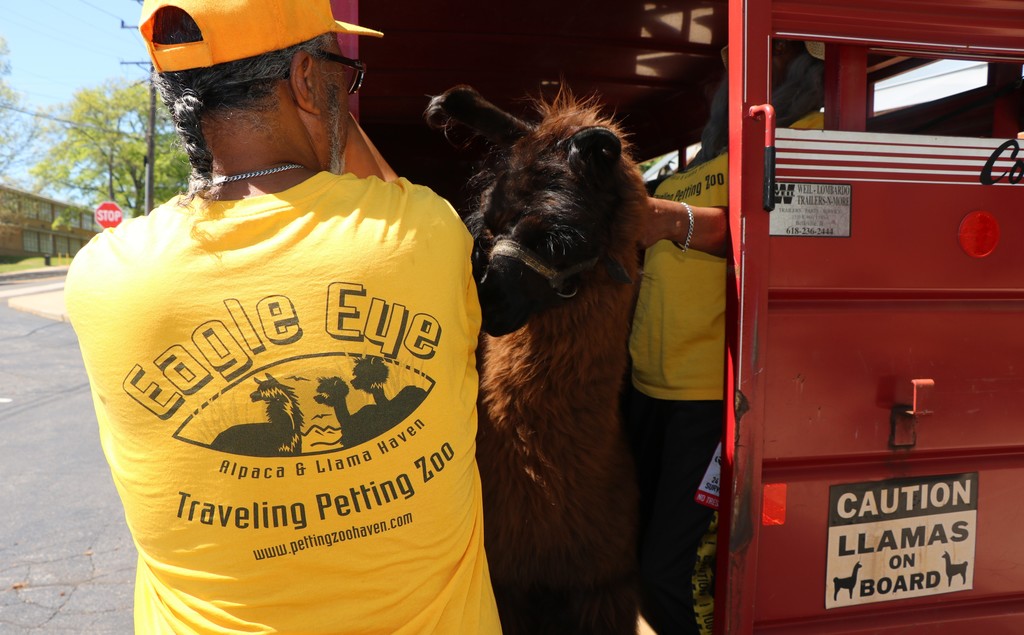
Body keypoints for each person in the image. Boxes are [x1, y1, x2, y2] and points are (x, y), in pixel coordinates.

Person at [65, 1, 501, 632]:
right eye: (341, 74)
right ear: (304, 78)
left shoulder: (106, 275)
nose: (347, 94)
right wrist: (332, 116)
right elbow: (366, 178)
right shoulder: (421, 231)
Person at [627, 39, 826, 635]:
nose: (726, 63)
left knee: (669, 577)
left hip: (707, 396)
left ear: (798, 59)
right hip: (649, 388)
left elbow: (770, 232)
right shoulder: (710, 155)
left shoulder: (807, 134)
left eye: (754, 48)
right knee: (636, 556)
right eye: (722, 53)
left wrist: (668, 219)